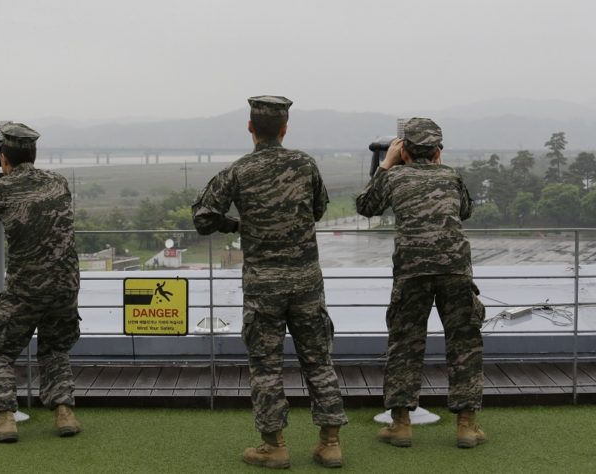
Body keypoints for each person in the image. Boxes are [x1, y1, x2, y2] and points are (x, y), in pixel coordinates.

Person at [193, 96, 348, 469]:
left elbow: (202, 217)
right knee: (319, 361)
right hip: (307, 282)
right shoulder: (305, 164)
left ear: (250, 128)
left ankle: (274, 446)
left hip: (264, 287)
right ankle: (330, 444)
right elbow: (318, 209)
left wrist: (237, 224)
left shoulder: (238, 171)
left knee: (266, 367)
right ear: (284, 129)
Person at [355, 118, 486, 449]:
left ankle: (400, 425)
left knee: (405, 343)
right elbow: (466, 211)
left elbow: (365, 207)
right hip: (455, 269)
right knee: (465, 343)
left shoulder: (395, 175)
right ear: (438, 150)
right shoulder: (452, 176)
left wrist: (386, 165)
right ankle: (467, 427)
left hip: (412, 271)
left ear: (405, 151)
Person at [0, 122, 82, 443]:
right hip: (66, 284)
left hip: (27, 287)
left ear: (5, 159)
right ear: (34, 155)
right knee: (55, 349)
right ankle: (64, 413)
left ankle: (4, 419)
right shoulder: (58, 182)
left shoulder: (1, 189)